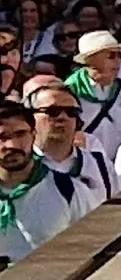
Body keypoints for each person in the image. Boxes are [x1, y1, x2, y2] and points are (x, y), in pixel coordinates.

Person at [26, 80, 116, 215]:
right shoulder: (20, 168)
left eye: (71, 112)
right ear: (30, 119)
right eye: (53, 111)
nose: (63, 117)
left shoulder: (99, 163)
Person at [0, 101, 73, 263]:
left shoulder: (68, 189)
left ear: (33, 134)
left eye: (20, 134)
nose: (11, 145)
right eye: (2, 137)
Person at [64, 29, 121, 156]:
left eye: (120, 56)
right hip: (88, 165)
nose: (118, 61)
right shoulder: (69, 93)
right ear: (90, 60)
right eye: (111, 56)